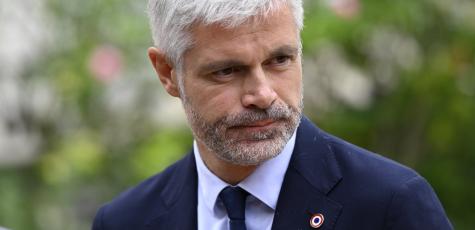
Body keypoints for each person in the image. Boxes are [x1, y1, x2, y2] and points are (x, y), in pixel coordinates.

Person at [92, 0, 453, 229]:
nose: (262, 94)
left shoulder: (390, 204)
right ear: (168, 73)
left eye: (280, 60)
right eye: (227, 71)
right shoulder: (125, 220)